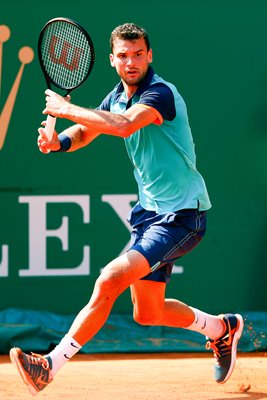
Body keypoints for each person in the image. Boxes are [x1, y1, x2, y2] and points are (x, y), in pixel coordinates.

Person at [9, 23, 243, 396]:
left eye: (138, 54)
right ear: (112, 60)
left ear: (149, 55)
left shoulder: (159, 94)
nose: (131, 62)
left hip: (182, 216)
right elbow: (88, 131)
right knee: (147, 313)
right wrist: (59, 143)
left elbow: (122, 126)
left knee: (109, 279)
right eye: (123, 55)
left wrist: (68, 109)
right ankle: (221, 328)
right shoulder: (116, 96)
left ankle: (49, 365)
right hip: (150, 215)